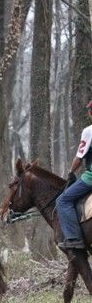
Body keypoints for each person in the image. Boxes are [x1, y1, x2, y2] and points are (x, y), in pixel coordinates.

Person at [55, 101, 92, 250]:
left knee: (63, 200)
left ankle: (74, 238)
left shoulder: (89, 131)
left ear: (90, 113)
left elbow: (79, 157)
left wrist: (71, 172)